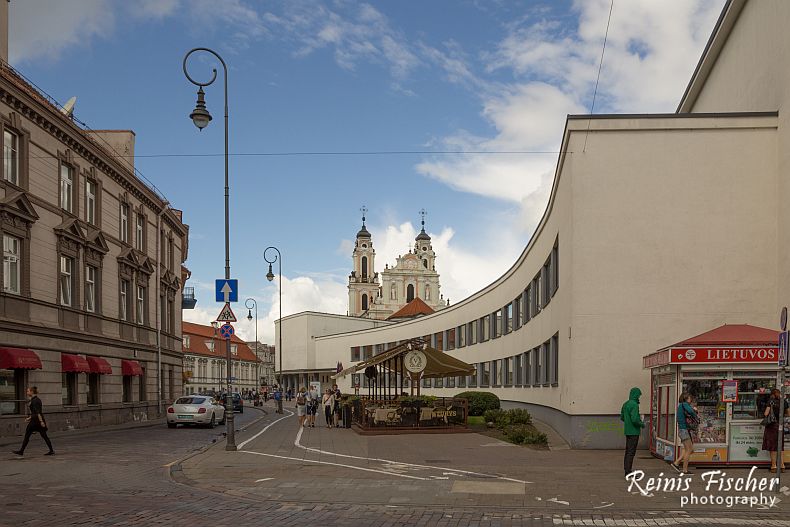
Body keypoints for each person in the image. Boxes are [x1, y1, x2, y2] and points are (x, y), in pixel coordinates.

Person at [12, 386, 54, 457]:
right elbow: (35, 412)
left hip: (35, 422)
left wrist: (41, 422)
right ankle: (51, 450)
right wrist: (29, 418)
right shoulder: (36, 400)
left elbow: (38, 412)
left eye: (28, 391)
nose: (27, 392)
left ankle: (21, 451)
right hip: (36, 420)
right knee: (44, 436)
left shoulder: (35, 401)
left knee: (27, 436)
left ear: (32, 392)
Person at [619, 387, 645, 477]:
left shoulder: (625, 404)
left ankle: (627, 470)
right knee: (631, 452)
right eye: (638, 395)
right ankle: (628, 472)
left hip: (627, 431)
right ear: (636, 395)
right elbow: (635, 419)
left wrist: (627, 421)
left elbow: (622, 417)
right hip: (634, 431)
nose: (639, 397)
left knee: (627, 451)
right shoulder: (634, 405)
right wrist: (642, 424)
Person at [671, 392, 698, 473]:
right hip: (684, 430)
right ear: (686, 398)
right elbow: (691, 412)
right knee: (689, 450)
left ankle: (676, 463)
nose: (691, 399)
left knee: (689, 449)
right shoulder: (685, 404)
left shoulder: (681, 406)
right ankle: (685, 470)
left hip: (682, 430)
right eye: (690, 398)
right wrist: (694, 409)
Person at [762, 388, 785, 473]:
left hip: (772, 426)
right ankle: (782, 466)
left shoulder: (771, 401)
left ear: (772, 394)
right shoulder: (784, 402)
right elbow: (788, 413)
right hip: (780, 425)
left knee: (773, 447)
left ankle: (774, 466)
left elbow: (766, 413)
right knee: (780, 446)